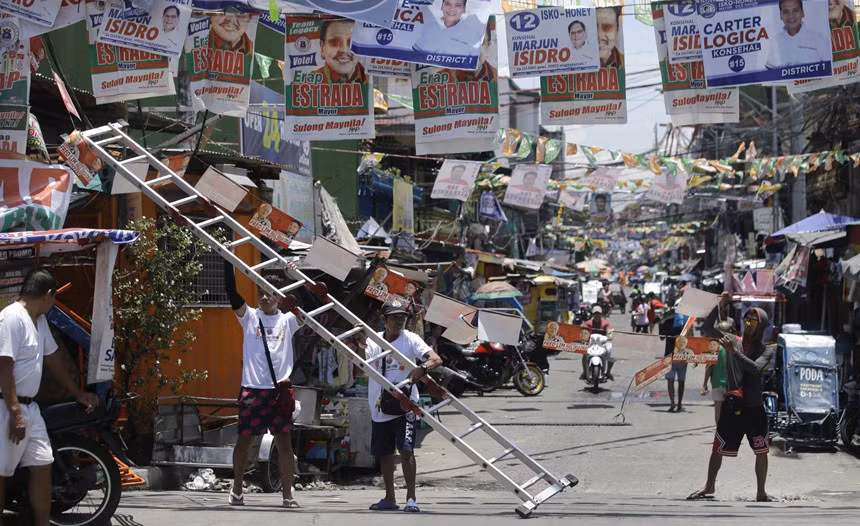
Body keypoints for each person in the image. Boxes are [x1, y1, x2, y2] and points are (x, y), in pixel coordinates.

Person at [1, 268, 100, 526]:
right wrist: (15, 413)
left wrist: (77, 392)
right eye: (53, 299)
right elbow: (5, 366)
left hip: (31, 409)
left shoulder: (40, 320)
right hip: (9, 407)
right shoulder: (11, 318)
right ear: (47, 295)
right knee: (1, 473)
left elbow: (53, 359)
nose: (53, 303)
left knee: (43, 465)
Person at [223, 261, 303, 508]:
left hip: (279, 391)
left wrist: (293, 273)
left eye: (270, 293)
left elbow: (308, 305)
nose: (265, 297)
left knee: (284, 443)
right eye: (261, 293)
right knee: (245, 440)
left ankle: (287, 495)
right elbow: (231, 292)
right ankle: (237, 489)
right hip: (253, 389)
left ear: (279, 297)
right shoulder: (249, 317)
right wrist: (229, 261)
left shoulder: (288, 320)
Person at [688, 294, 776, 502]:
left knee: (761, 450)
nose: (749, 323)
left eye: (753, 320)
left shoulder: (767, 350)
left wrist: (733, 353)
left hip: (754, 407)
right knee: (717, 446)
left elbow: (755, 369)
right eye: (747, 319)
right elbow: (708, 327)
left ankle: (761, 492)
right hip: (733, 404)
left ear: (761, 325)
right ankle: (709, 486)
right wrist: (721, 303)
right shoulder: (734, 341)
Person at [361, 298, 442, 513]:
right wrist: (358, 340)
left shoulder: (411, 339)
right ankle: (389, 498)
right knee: (384, 453)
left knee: (406, 450)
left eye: (403, 317)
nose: (400, 321)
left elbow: (435, 359)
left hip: (405, 405)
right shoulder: (374, 341)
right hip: (379, 406)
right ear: (384, 319)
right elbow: (361, 365)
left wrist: (422, 368)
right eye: (395, 317)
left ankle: (411, 498)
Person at [765, 0, 831, 69]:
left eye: (795, 10)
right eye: (786, 12)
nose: (791, 16)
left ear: (802, 13)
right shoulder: (774, 41)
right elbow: (770, 71)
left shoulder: (820, 40)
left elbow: (828, 69)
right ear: (780, 15)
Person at [413, 0, 486, 57]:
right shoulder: (429, 28)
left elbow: (478, 61)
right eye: (448, 4)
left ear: (464, 9)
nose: (451, 9)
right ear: (442, 6)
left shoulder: (472, 35)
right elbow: (416, 53)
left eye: (458, 5)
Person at [314, 19, 367, 84]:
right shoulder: (309, 82)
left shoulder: (370, 81)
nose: (344, 50)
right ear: (322, 48)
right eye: (335, 42)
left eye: (352, 43)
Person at [702, 321, 733, 424]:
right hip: (732, 385)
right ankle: (728, 435)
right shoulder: (734, 346)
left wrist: (704, 385)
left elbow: (709, 366)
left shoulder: (715, 347)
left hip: (717, 383)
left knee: (718, 410)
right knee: (730, 411)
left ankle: (719, 435)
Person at [579, 306, 614, 381]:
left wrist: (610, 335)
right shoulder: (588, 323)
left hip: (603, 344)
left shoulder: (606, 323)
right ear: (593, 315)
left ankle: (608, 372)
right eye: (595, 314)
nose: (597, 315)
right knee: (584, 354)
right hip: (591, 343)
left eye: (598, 314)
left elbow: (609, 332)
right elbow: (584, 332)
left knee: (610, 353)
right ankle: (585, 372)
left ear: (601, 315)